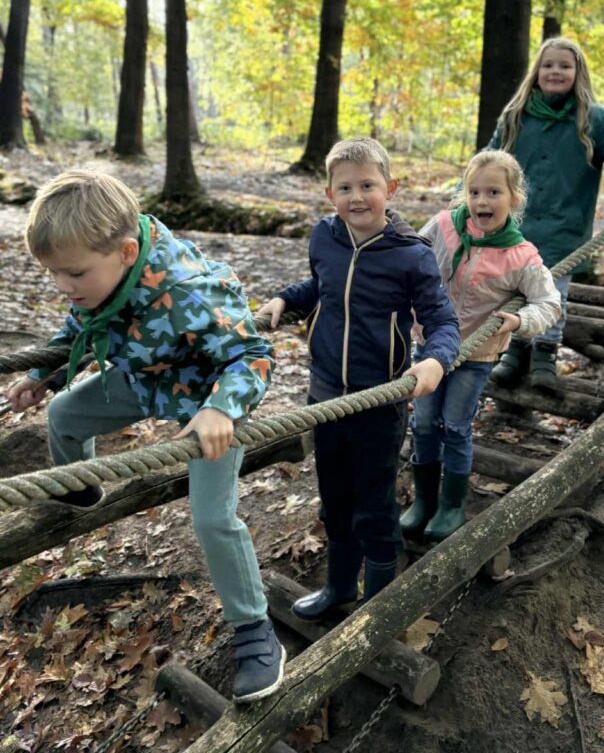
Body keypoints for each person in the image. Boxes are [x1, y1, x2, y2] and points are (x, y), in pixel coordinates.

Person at [4, 170, 284, 703]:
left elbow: (255, 355)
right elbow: (82, 323)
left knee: (213, 518)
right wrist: (44, 374)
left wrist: (221, 409)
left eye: (73, 273)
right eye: (54, 273)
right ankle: (81, 488)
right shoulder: (100, 268)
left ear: (127, 252)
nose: (63, 285)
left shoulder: (186, 293)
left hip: (209, 397)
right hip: (145, 378)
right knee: (64, 414)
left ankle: (254, 629)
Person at [258, 138, 460, 620]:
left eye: (368, 185)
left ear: (391, 188)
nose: (357, 197)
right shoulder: (324, 237)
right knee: (334, 499)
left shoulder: (410, 254)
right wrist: (286, 299)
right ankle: (340, 586)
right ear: (330, 194)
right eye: (345, 188)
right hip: (325, 396)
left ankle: (379, 604)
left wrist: (435, 360)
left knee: (374, 503)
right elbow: (321, 286)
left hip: (379, 401)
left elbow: (442, 320)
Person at [401, 150, 561, 541]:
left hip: (476, 354)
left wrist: (520, 321)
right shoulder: (443, 226)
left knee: (455, 425)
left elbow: (549, 302)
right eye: (474, 192)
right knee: (423, 422)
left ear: (514, 198)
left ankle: (452, 505)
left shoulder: (520, 256)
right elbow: (410, 255)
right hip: (430, 347)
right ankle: (424, 500)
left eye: (493, 192)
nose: (482, 201)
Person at [486, 37, 604, 390]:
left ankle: (545, 355)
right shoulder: (516, 117)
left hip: (565, 227)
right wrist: (463, 200)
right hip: (516, 225)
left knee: (552, 292)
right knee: (514, 289)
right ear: (537, 72)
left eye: (564, 66)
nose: (555, 71)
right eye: (548, 65)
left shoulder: (594, 120)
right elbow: (487, 160)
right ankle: (514, 354)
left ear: (577, 72)